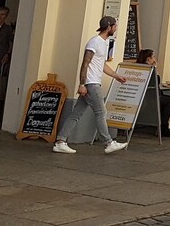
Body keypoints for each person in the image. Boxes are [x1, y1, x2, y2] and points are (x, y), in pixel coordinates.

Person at [53, 16, 129, 155]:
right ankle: (108, 143)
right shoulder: (94, 42)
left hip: (91, 83)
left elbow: (101, 64)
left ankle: (60, 141)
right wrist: (82, 84)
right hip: (91, 84)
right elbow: (85, 63)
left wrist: (116, 76)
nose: (116, 28)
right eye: (114, 26)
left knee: (76, 113)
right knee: (101, 112)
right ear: (108, 27)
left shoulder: (104, 43)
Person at [135, 49, 170, 137]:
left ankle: (159, 125)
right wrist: (155, 68)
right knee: (169, 100)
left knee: (163, 97)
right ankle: (163, 127)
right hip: (149, 99)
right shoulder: (149, 69)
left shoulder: (138, 68)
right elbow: (155, 81)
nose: (154, 58)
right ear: (148, 59)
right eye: (153, 57)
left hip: (138, 97)